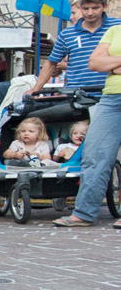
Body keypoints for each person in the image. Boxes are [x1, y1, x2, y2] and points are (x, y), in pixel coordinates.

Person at [54, 16, 121, 230]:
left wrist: (112, 64)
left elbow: (105, 63)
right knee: (94, 155)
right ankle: (84, 213)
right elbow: (94, 63)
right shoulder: (115, 30)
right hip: (111, 99)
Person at [32, 0, 113, 98]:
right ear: (81, 8)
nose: (90, 13)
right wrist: (35, 89)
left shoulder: (117, 27)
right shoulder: (67, 34)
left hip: (111, 93)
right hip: (76, 94)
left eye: (95, 8)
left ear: (105, 7)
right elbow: (51, 63)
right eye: (86, 8)